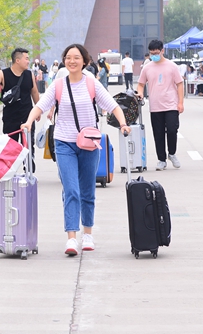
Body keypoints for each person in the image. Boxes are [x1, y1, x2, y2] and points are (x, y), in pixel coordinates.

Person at [20, 44, 131, 256]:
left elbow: (113, 106)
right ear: (64, 61)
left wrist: (123, 124)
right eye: (68, 57)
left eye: (76, 57)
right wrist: (29, 121)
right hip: (64, 143)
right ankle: (71, 237)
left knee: (88, 190)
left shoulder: (92, 84)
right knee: (71, 189)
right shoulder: (58, 85)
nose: (72, 61)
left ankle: (87, 234)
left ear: (85, 61)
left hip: (89, 143)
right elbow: (40, 106)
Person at [136, 40, 184, 172]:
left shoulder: (172, 66)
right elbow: (140, 84)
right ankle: (161, 159)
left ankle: (172, 153)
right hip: (155, 105)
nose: (154, 56)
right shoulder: (147, 67)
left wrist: (180, 102)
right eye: (152, 54)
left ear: (162, 51)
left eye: (156, 53)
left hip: (171, 104)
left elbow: (180, 84)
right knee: (158, 133)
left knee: (172, 129)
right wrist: (140, 93)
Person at [0, 47, 40, 156]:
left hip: (27, 116)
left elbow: (34, 92)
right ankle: (11, 167)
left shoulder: (29, 74)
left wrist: (38, 109)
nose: (28, 61)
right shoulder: (3, 74)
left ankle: (29, 166)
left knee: (28, 147)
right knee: (10, 148)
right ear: (17, 60)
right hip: (10, 118)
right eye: (26, 58)